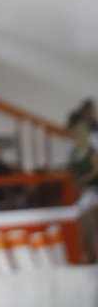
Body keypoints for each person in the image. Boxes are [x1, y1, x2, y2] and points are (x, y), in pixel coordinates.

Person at [67, 112, 98, 263]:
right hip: (82, 191)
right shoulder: (74, 152)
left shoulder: (92, 150)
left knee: (92, 225)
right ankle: (88, 254)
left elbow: (96, 170)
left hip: (93, 189)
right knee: (84, 225)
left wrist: (83, 179)